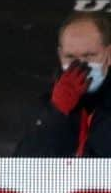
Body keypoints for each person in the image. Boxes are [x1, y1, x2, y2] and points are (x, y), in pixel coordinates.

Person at [15, 11, 111, 157]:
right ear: (60, 56)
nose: (79, 65)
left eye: (89, 55)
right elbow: (20, 171)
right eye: (70, 57)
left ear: (109, 54)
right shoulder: (47, 105)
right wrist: (57, 112)